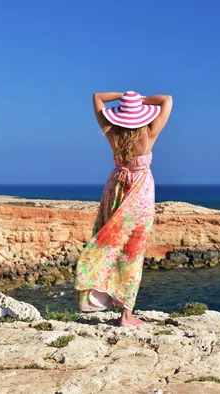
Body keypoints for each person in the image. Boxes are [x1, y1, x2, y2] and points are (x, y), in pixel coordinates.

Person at [74, 90, 173, 327]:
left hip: (116, 187)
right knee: (133, 252)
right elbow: (167, 100)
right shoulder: (150, 133)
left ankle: (100, 292)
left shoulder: (112, 132)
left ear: (121, 116)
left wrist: (123, 97)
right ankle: (126, 315)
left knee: (108, 241)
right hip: (140, 190)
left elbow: (97, 97)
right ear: (140, 116)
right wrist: (142, 100)